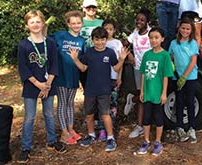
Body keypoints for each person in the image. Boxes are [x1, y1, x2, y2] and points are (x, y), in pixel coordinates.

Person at [68, 27, 129, 152]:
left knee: (105, 114)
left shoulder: (110, 53)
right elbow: (83, 68)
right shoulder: (89, 52)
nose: (100, 42)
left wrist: (122, 59)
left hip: (105, 89)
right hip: (90, 89)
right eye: (97, 39)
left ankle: (111, 138)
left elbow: (116, 68)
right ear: (92, 40)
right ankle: (91, 135)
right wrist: (75, 59)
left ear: (106, 40)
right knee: (89, 115)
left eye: (102, 39)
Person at [17, 10, 66, 163]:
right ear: (27, 25)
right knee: (29, 117)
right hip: (32, 85)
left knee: (49, 114)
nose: (36, 24)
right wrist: (38, 84)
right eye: (32, 22)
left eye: (38, 21)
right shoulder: (24, 45)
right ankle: (26, 147)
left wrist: (47, 85)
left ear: (43, 23)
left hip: (48, 85)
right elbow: (23, 68)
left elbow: (54, 65)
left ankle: (52, 141)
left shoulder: (50, 43)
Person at [136, 27, 173, 156]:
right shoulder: (147, 54)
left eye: (156, 37)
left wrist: (164, 93)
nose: (153, 40)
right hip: (147, 93)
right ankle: (146, 141)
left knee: (158, 117)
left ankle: (157, 142)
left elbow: (166, 76)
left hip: (158, 93)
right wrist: (142, 91)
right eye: (151, 37)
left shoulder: (165, 55)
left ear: (162, 39)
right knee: (146, 118)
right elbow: (143, 74)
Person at [51, 11, 85, 145]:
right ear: (68, 24)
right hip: (61, 76)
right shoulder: (60, 35)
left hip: (73, 76)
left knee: (70, 103)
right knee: (62, 103)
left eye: (78, 23)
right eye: (73, 23)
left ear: (82, 24)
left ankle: (71, 129)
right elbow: (45, 40)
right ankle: (64, 133)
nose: (76, 25)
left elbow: (83, 60)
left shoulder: (81, 41)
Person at [168, 17, 199, 143]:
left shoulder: (193, 43)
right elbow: (170, 57)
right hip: (177, 77)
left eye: (187, 29)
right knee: (179, 101)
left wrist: (184, 77)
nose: (185, 31)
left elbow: (193, 62)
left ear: (191, 30)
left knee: (190, 102)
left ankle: (192, 127)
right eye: (183, 28)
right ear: (179, 28)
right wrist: (172, 68)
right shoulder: (174, 43)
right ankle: (180, 127)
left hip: (190, 77)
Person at [96, 19, 124, 142]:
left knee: (112, 105)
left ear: (114, 31)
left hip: (113, 78)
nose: (108, 31)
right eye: (106, 29)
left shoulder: (117, 43)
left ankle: (110, 129)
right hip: (100, 79)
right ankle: (102, 129)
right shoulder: (99, 42)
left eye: (111, 29)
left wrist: (119, 77)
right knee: (101, 105)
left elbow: (120, 62)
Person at [126, 9, 152, 138]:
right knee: (142, 96)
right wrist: (129, 54)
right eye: (137, 19)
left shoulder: (152, 33)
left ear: (147, 21)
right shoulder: (134, 33)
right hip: (138, 68)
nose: (139, 22)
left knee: (150, 95)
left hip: (151, 68)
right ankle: (140, 126)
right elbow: (124, 43)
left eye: (142, 20)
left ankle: (132, 99)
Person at [79, 0, 103, 88]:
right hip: (83, 57)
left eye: (93, 7)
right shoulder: (78, 22)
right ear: (84, 8)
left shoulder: (101, 22)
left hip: (98, 57)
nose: (91, 10)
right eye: (88, 7)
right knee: (86, 85)